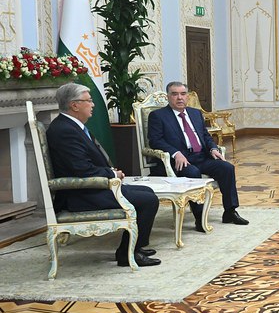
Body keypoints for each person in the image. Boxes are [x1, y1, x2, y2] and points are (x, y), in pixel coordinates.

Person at [47, 83, 160, 267]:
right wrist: (111, 173)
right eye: (89, 101)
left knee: (147, 191)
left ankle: (131, 247)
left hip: (92, 188)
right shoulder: (64, 130)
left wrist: (110, 173)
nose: (93, 105)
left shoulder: (71, 126)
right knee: (148, 201)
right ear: (74, 105)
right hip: (80, 195)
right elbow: (81, 169)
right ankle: (128, 254)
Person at [148, 81, 248, 229]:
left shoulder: (195, 113)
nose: (179, 98)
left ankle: (230, 211)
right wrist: (176, 153)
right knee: (192, 172)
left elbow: (205, 136)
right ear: (168, 97)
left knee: (227, 168)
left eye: (183, 94)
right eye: (174, 94)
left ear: (187, 97)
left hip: (201, 157)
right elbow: (155, 141)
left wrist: (213, 148)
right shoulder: (158, 116)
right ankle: (199, 217)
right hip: (179, 161)